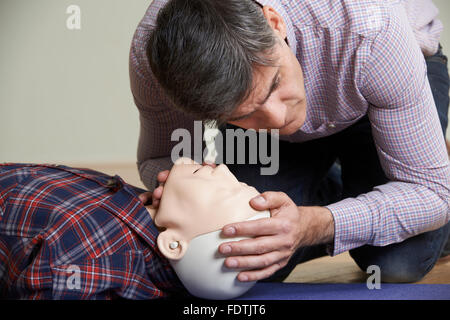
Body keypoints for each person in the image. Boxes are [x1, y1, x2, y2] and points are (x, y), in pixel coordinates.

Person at [130, 0, 450, 283]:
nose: (280, 119)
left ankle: (423, 158)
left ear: (275, 23)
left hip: (379, 90)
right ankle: (348, 186)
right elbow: (160, 158)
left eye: (275, 84)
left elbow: (433, 193)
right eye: (247, 113)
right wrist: (177, 191)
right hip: (291, 125)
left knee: (395, 265)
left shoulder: (373, 27)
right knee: (246, 256)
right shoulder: (157, 62)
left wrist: (314, 224)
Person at [0, 160, 272, 299]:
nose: (224, 168)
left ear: (174, 243)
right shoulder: (140, 211)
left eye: (226, 193)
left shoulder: (85, 258)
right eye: (239, 182)